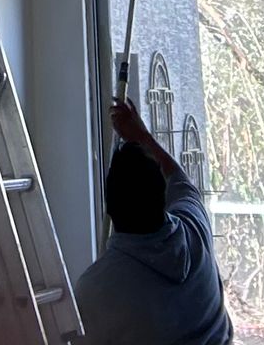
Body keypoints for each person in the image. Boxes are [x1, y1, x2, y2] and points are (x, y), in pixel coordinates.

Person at [76, 99, 232, 345]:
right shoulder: (194, 227)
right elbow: (180, 180)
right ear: (162, 197)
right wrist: (142, 136)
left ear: (110, 207)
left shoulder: (99, 286)